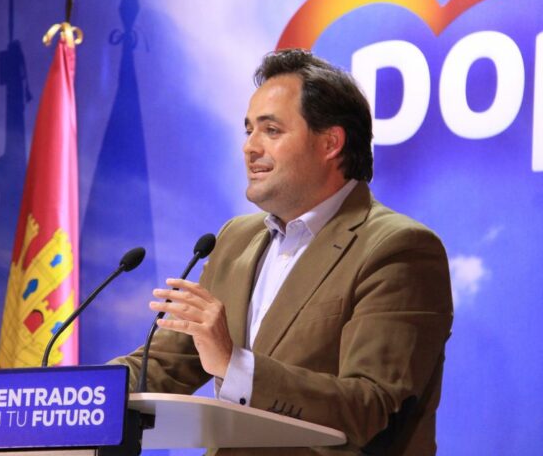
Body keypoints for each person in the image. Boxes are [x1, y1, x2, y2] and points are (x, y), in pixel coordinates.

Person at [112, 49, 453, 455]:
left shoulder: (398, 248)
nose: (249, 147)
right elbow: (162, 365)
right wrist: (72, 394)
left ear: (331, 143)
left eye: (271, 130)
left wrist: (235, 365)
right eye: (248, 130)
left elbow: (368, 406)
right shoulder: (234, 240)